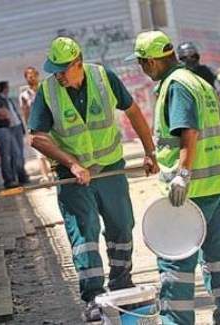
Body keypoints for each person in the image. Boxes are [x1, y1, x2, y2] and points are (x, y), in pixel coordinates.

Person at [28, 36, 159, 322]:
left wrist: (150, 151)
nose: (59, 75)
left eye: (64, 69)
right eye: (55, 70)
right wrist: (72, 164)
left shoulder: (103, 77)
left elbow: (133, 111)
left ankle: (122, 282)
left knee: (121, 225)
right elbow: (37, 138)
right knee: (84, 233)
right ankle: (93, 297)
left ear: (78, 63)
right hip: (73, 177)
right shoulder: (48, 91)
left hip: (110, 168)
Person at [128, 30, 220, 325]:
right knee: (218, 254)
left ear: (153, 61)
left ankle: (176, 321)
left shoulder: (175, 85)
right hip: (216, 182)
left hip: (190, 190)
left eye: (142, 62)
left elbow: (187, 132)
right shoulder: (198, 81)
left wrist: (181, 174)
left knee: (175, 258)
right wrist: (161, 159)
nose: (142, 68)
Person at [19, 66, 53, 183]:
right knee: (40, 154)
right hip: (36, 127)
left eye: (33, 75)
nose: (31, 78)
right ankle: (45, 176)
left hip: (50, 125)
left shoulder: (45, 89)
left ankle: (55, 172)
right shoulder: (24, 95)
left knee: (53, 150)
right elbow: (25, 113)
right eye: (29, 76)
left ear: (37, 75)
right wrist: (29, 130)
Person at [0, 80, 29, 185]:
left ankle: (22, 175)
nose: (8, 89)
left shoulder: (8, 99)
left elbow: (16, 113)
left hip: (17, 126)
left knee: (20, 153)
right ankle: (14, 177)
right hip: (10, 128)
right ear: (3, 88)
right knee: (15, 154)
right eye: (7, 87)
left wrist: (23, 128)